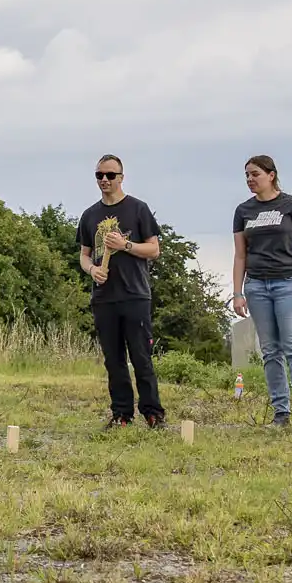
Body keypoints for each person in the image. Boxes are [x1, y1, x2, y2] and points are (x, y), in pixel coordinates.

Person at [78, 154, 166, 428]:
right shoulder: (90, 215)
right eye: (99, 175)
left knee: (141, 357)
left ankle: (153, 413)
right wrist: (92, 270)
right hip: (104, 297)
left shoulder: (138, 209)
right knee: (113, 360)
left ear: (121, 177)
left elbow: (154, 250)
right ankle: (121, 414)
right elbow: (83, 255)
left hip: (135, 294)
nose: (104, 180)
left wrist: (125, 246)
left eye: (110, 175)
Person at [231, 155, 292, 426]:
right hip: (257, 285)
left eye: (255, 174)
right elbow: (240, 255)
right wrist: (237, 293)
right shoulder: (243, 211)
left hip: (289, 283)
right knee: (270, 351)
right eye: (246, 175)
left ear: (271, 175)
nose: (250, 179)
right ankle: (281, 412)